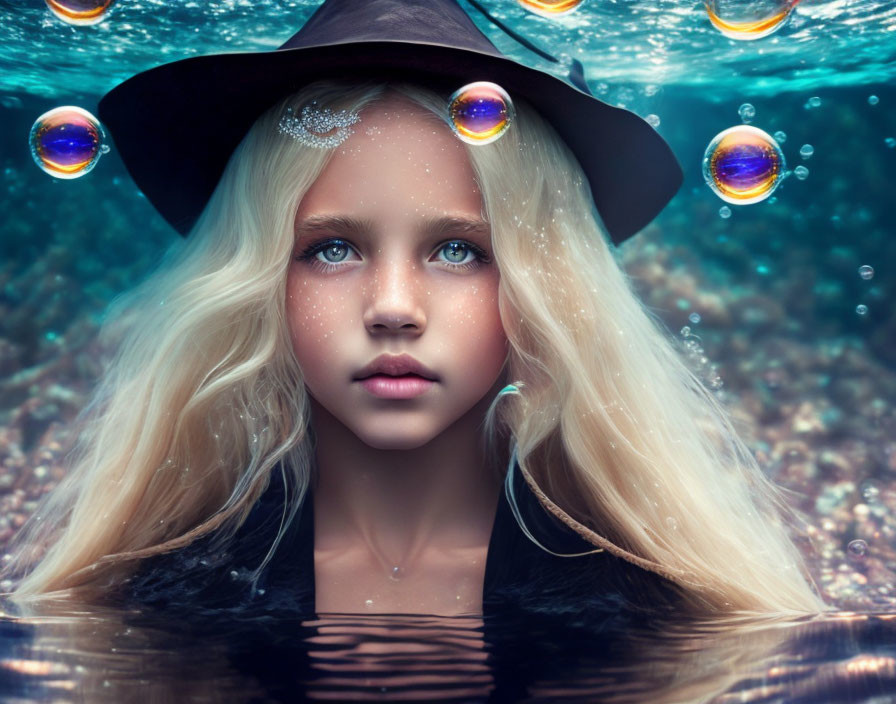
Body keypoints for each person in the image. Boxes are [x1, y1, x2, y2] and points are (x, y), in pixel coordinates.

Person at [2, 0, 829, 618]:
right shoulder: (157, 600)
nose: (393, 308)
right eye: (332, 248)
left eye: (460, 250)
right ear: (258, 281)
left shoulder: (654, 605)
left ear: (546, 288)